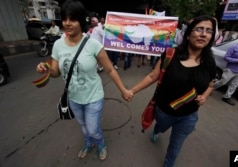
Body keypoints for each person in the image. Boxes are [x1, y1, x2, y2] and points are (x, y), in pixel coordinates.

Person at [36, 0, 131, 161]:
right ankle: (88, 143)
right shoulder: (58, 45)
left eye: (72, 19)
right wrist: (45, 69)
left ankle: (100, 143)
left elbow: (109, 69)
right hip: (73, 98)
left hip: (94, 97)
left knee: (93, 129)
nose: (67, 23)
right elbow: (55, 73)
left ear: (81, 21)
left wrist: (123, 90)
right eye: (64, 19)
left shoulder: (93, 44)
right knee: (84, 127)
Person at [128, 15, 217, 167]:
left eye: (209, 31)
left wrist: (204, 97)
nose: (204, 34)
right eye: (199, 29)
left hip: (189, 116)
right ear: (188, 34)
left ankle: (168, 164)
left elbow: (210, 85)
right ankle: (157, 130)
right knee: (160, 128)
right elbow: (151, 77)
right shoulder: (171, 55)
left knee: (176, 145)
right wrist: (131, 91)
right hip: (164, 112)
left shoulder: (209, 62)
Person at [213, 32, 238, 106]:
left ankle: (226, 97)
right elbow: (226, 58)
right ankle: (208, 88)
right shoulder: (235, 47)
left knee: (234, 85)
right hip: (231, 69)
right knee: (222, 82)